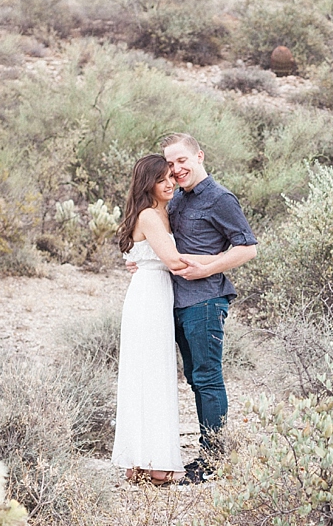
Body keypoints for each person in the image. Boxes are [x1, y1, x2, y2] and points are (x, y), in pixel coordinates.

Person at [129, 132, 258, 483]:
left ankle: (214, 459)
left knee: (207, 377)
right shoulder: (177, 199)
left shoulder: (220, 199)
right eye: (170, 164)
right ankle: (205, 453)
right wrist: (145, 259)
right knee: (194, 379)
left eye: (181, 160)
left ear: (199, 156)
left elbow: (247, 248)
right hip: (174, 301)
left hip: (205, 299)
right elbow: (158, 239)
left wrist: (209, 266)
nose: (176, 169)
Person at [112, 154, 221, 486]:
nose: (170, 183)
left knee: (155, 377)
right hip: (149, 298)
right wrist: (224, 258)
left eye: (171, 177)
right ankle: (149, 463)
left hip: (159, 296)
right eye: (162, 180)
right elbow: (173, 260)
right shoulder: (148, 215)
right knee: (149, 376)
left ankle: (145, 462)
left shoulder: (164, 211)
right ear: (149, 184)